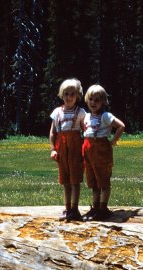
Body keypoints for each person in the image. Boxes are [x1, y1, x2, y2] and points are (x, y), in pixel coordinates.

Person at [81, 84, 125, 221]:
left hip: (101, 150)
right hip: (88, 149)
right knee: (93, 180)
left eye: (97, 100)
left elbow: (121, 126)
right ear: (87, 100)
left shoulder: (106, 116)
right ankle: (95, 208)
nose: (93, 103)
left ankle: (103, 208)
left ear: (103, 102)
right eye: (91, 99)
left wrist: (113, 141)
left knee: (103, 179)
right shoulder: (86, 116)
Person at [49, 78, 86, 221]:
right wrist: (53, 149)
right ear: (61, 95)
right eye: (66, 94)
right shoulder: (57, 112)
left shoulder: (81, 112)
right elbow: (53, 132)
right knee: (65, 179)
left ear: (78, 95)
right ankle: (67, 207)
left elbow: (85, 131)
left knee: (75, 179)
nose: (69, 97)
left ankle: (75, 209)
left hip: (76, 147)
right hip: (62, 147)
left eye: (72, 94)